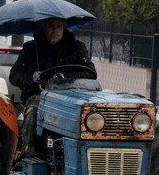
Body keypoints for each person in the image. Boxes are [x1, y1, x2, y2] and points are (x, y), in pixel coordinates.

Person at [9, 17, 97, 157]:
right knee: (33, 110)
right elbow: (14, 75)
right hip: (39, 95)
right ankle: (28, 154)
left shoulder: (77, 47)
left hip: (70, 95)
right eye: (51, 26)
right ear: (44, 28)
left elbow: (91, 73)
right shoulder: (31, 48)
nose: (55, 30)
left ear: (64, 28)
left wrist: (65, 77)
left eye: (58, 26)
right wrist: (31, 77)